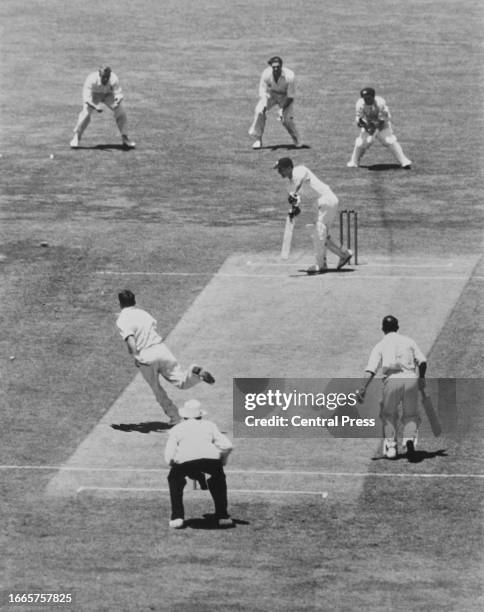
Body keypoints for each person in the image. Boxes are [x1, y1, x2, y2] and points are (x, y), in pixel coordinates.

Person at [115, 290, 215, 425]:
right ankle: (194, 372)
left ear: (119, 303)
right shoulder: (143, 313)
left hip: (146, 356)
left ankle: (175, 417)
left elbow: (130, 338)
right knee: (181, 381)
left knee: (157, 389)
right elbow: (152, 326)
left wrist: (136, 356)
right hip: (161, 349)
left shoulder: (122, 319)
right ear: (134, 301)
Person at [355, 315, 427, 459]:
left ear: (383, 329)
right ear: (397, 327)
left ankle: (391, 448)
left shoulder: (380, 345)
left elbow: (371, 369)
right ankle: (408, 441)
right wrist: (421, 378)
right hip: (411, 380)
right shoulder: (409, 341)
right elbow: (423, 361)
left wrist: (362, 388)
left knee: (388, 415)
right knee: (411, 415)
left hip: (392, 381)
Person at [274, 157, 353, 274]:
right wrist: (294, 211)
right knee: (323, 235)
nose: (279, 172)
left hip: (326, 199)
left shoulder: (299, 170)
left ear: (289, 167)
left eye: (280, 169)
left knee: (319, 232)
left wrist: (294, 194)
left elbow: (300, 181)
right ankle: (344, 254)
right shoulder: (289, 186)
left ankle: (320, 265)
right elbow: (297, 205)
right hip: (318, 204)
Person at [164, 399, 233, 529]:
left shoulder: (177, 429)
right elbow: (227, 446)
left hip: (185, 460)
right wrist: (222, 461)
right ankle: (223, 516)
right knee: (218, 478)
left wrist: (176, 466)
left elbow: (168, 458)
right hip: (211, 459)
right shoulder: (210, 425)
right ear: (200, 414)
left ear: (184, 416)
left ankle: (177, 517)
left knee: (174, 478)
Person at [70, 66, 136, 149]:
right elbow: (86, 99)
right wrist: (95, 107)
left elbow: (118, 94)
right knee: (86, 113)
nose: (105, 79)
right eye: (104, 77)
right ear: (100, 75)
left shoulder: (114, 78)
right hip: (94, 95)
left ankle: (125, 137)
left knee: (121, 112)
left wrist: (117, 101)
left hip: (108, 95)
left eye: (107, 77)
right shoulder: (91, 79)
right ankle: (76, 136)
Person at [347, 87, 412, 168]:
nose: (366, 100)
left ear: (373, 97)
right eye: (365, 98)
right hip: (368, 124)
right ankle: (354, 162)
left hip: (382, 125)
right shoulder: (360, 103)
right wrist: (367, 127)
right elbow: (360, 120)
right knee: (360, 143)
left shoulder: (380, 103)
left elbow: (381, 121)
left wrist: (373, 133)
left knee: (389, 140)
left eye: (369, 98)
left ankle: (404, 161)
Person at [248, 56, 300, 149]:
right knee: (259, 111)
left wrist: (282, 109)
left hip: (285, 97)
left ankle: (296, 138)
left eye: (278, 66)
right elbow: (262, 90)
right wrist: (264, 103)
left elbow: (290, 96)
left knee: (286, 119)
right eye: (274, 67)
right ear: (271, 66)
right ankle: (258, 139)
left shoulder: (290, 76)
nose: (276, 69)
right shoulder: (266, 73)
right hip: (271, 95)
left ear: (281, 66)